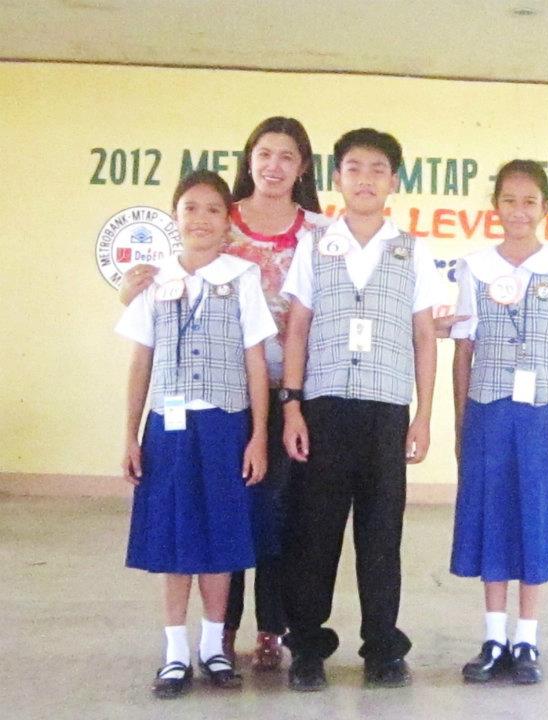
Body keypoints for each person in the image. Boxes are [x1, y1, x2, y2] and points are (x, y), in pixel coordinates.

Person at [120, 117, 328, 670]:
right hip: (216, 396)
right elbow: (149, 328)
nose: (274, 165)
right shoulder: (221, 218)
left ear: (302, 167)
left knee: (274, 515)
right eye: (264, 153)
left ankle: (271, 628)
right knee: (220, 517)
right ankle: (220, 635)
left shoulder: (319, 231)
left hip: (292, 392)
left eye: (287, 156)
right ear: (249, 159)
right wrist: (132, 291)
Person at [280, 128, 442, 691]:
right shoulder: (314, 245)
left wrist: (423, 416)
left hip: (386, 411)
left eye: (378, 169)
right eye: (354, 167)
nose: (365, 179)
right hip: (323, 407)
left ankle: (382, 648)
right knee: (315, 534)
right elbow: (297, 328)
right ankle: (306, 648)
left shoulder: (413, 250)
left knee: (380, 535)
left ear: (394, 181)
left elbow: (425, 336)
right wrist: (292, 406)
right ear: (337, 178)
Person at [116, 170, 276, 698]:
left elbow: (256, 361)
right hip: (168, 428)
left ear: (228, 220)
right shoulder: (153, 280)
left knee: (220, 536)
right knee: (174, 536)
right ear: (175, 216)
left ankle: (213, 646)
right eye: (190, 208)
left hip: (225, 425)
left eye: (213, 209)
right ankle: (175, 652)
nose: (201, 219)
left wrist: (258, 434)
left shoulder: (243, 277)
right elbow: (141, 362)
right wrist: (130, 435)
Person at [449, 160, 548, 685]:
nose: (518, 211)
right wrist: (461, 425)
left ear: (545, 208)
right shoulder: (474, 268)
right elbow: (463, 353)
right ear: (495, 206)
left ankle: (527, 639)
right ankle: (494, 637)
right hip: (488, 414)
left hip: (544, 417)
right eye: (509, 200)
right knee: (493, 518)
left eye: (529, 201)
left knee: (535, 520)